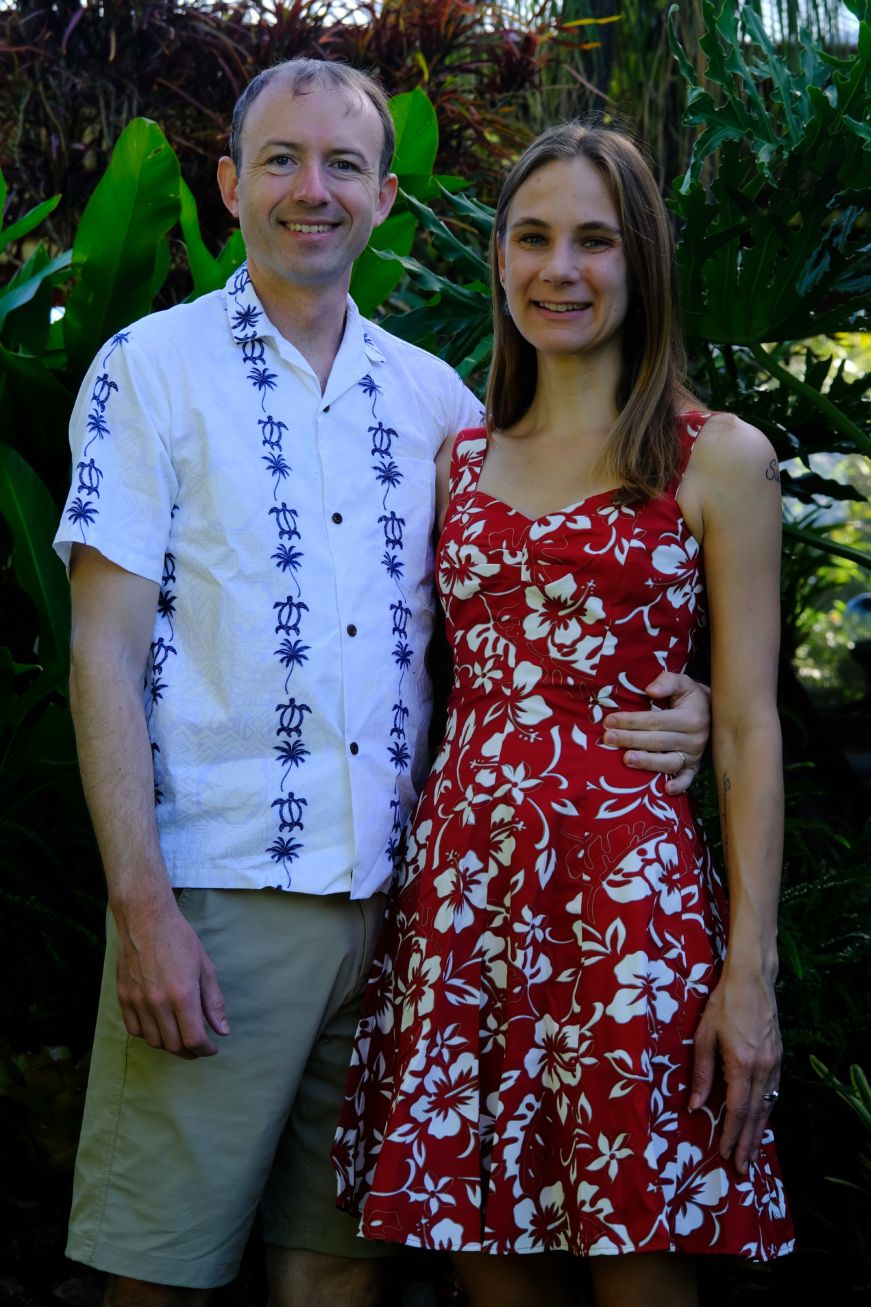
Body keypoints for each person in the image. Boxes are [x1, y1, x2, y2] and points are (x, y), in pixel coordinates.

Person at [54, 64, 711, 1307]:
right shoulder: (151, 368)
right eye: (286, 160)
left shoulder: (440, 405)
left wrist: (672, 699)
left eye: (345, 165)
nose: (315, 190)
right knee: (159, 1266)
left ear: (386, 194)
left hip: (416, 914)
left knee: (337, 1267)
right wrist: (142, 903)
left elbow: (534, 601)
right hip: (221, 897)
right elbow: (103, 648)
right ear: (229, 182)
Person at [333, 121, 795, 1307]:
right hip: (464, 904)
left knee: (640, 1261)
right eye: (532, 237)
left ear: (639, 263)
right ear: (499, 261)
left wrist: (749, 974)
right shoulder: (457, 457)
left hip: (629, 915)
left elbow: (744, 726)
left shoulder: (717, 458)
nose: (560, 269)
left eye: (595, 241)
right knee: (493, 1269)